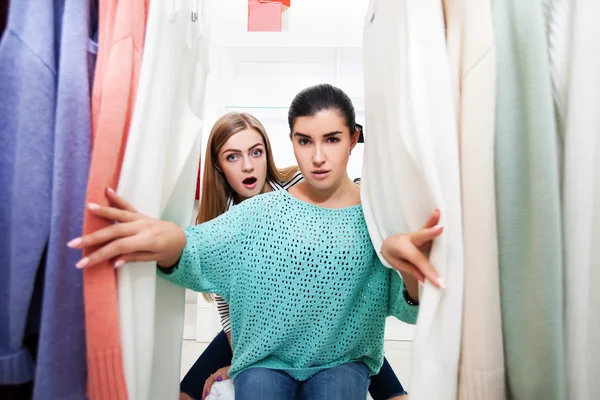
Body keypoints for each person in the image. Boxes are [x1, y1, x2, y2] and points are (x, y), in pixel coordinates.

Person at [69, 84, 444, 400]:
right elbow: (197, 249)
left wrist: (410, 273)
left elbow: (407, 308)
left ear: (353, 140)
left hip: (343, 356)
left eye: (331, 139)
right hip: (263, 353)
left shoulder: (376, 216)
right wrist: (172, 240)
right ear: (291, 142)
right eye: (304, 141)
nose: (317, 157)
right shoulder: (258, 213)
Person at [181, 112, 411, 400]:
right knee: (187, 392)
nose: (248, 166)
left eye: (256, 152)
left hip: (326, 317)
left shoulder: (299, 184)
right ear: (217, 164)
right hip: (256, 326)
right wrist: (241, 362)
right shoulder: (218, 221)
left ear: (268, 152)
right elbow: (227, 310)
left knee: (384, 385)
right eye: (233, 157)